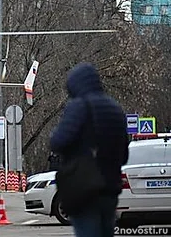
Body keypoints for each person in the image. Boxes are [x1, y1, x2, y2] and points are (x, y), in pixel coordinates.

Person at [50, 62, 129, 237]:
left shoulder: (79, 106)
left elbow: (58, 141)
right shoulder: (116, 109)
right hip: (110, 189)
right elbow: (124, 155)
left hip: (84, 188)